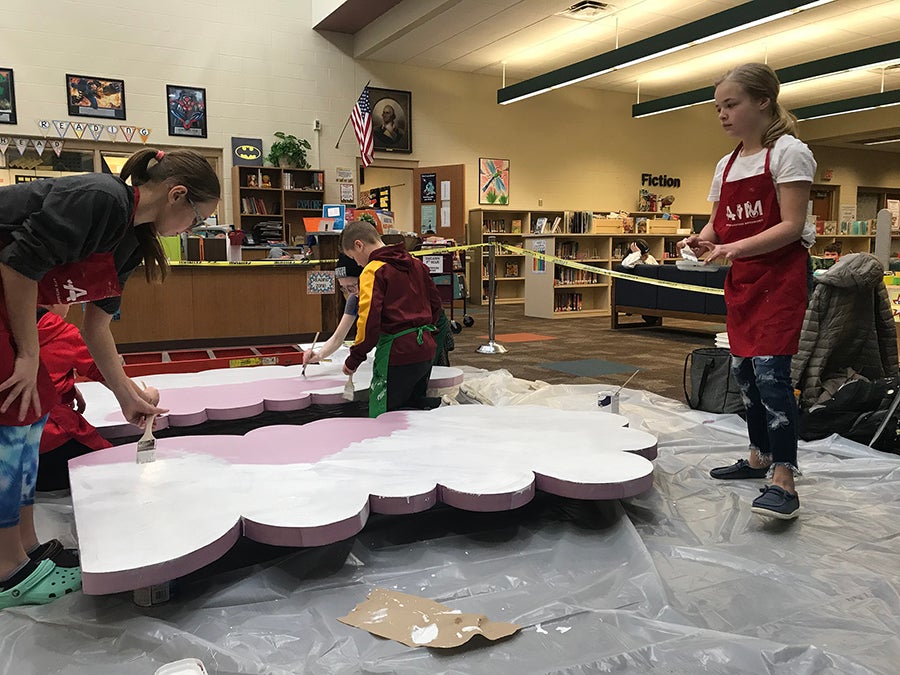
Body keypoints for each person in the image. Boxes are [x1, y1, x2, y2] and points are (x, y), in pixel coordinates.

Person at [0, 147, 220, 609]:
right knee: (10, 427)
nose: (193, 228)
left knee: (30, 422)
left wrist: (126, 395)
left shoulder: (131, 240)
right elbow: (18, 264)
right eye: (197, 218)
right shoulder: (102, 197)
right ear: (177, 195)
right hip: (7, 301)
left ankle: (27, 547)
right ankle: (7, 572)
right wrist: (28, 350)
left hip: (14, 309)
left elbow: (96, 326)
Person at [677, 63, 816, 520]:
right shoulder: (728, 163)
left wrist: (730, 246)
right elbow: (717, 223)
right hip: (743, 281)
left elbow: (792, 226)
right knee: (745, 374)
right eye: (718, 107)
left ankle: (785, 478)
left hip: (780, 279)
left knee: (773, 376)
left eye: (731, 104)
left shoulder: (790, 153)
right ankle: (758, 456)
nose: (722, 115)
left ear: (763, 101)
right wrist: (701, 239)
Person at [340, 221, 444, 417]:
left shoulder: (373, 270)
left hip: (396, 351)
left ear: (359, 245)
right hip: (426, 346)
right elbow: (436, 304)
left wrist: (354, 358)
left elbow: (368, 320)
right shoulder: (416, 263)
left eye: (353, 257)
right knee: (416, 412)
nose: (357, 263)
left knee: (386, 416)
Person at [35, 304, 113, 492]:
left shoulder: (10, 326)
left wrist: (63, 387)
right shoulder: (61, 332)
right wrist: (143, 396)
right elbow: (106, 372)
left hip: (16, 452)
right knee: (113, 467)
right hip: (53, 442)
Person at [304, 253, 365, 365]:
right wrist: (319, 355)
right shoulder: (354, 298)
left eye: (352, 286)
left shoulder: (379, 293)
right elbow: (338, 337)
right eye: (344, 288)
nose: (350, 293)